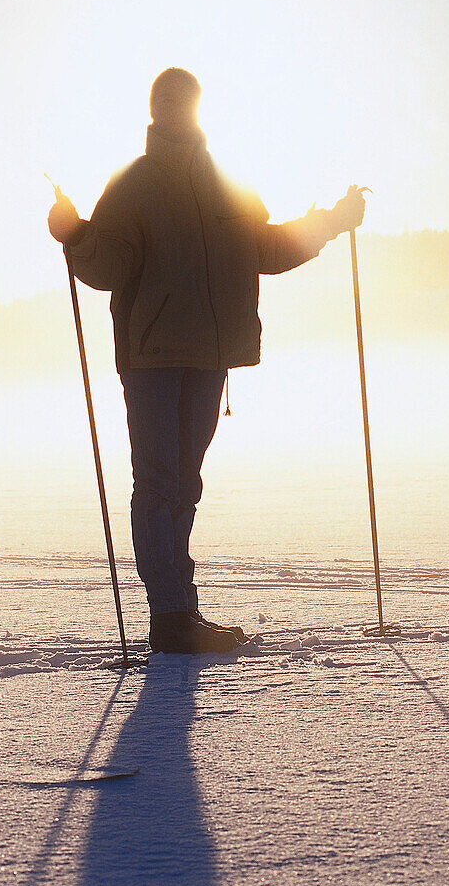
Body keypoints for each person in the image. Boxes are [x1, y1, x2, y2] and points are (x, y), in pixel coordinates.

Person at [48, 68, 365, 655]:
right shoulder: (134, 184)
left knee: (181, 484)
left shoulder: (225, 182)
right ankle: (171, 617)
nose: (177, 112)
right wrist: (74, 236)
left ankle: (179, 612)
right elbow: (106, 268)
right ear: (157, 111)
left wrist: (331, 222)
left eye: (184, 102)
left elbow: (267, 247)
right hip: (152, 361)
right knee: (161, 482)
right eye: (169, 103)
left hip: (208, 358)